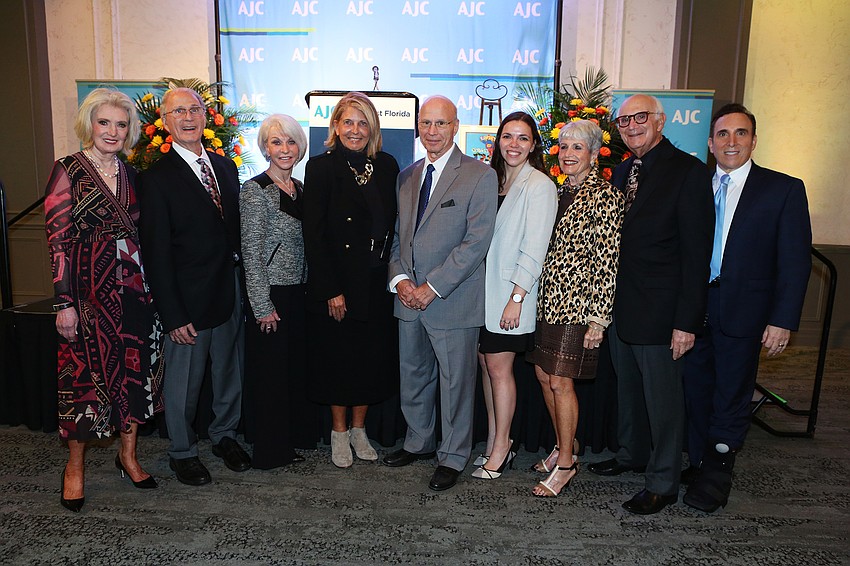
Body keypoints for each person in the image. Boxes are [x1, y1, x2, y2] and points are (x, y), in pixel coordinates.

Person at [587, 94, 714, 515]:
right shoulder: (623, 170)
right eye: (624, 120)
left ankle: (663, 482)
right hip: (622, 307)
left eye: (640, 117)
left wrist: (686, 322)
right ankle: (632, 455)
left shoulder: (689, 172)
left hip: (663, 313)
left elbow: (697, 255)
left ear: (660, 121)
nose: (631, 125)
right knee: (629, 392)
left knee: (663, 402)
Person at [682, 103, 812, 512]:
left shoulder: (783, 189)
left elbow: (795, 261)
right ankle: (700, 460)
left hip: (747, 310)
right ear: (710, 142)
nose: (731, 141)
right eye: (723, 134)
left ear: (754, 141)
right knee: (695, 387)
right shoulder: (694, 186)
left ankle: (719, 470)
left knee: (732, 390)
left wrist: (781, 320)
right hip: (696, 307)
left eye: (741, 133)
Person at [45, 87, 164, 512]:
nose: (112, 131)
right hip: (85, 295)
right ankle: (74, 467)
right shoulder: (67, 170)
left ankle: (128, 455)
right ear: (89, 125)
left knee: (133, 377)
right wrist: (64, 304)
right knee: (81, 382)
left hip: (133, 292)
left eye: (121, 124)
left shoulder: (134, 174)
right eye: (104, 123)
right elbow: (57, 240)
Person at [383, 95, 497, 491]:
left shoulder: (479, 175)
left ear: (456, 126)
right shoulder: (408, 175)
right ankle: (418, 441)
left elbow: (476, 242)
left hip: (451, 300)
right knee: (413, 376)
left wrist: (431, 287)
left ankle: (452, 455)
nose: (432, 131)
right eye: (426, 123)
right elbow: (398, 237)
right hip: (408, 298)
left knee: (455, 383)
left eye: (441, 124)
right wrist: (400, 281)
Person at [138, 87, 250, 486]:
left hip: (229, 290)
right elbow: (155, 252)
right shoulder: (155, 179)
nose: (189, 117)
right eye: (179, 111)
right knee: (184, 382)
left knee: (229, 373)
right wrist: (173, 313)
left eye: (195, 109)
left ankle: (224, 436)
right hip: (186, 301)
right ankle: (182, 451)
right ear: (165, 122)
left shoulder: (225, 166)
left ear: (205, 116)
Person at [302, 92, 400, 468]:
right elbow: (315, 234)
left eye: (362, 123)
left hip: (376, 281)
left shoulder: (387, 165)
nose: (355, 130)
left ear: (372, 128)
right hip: (338, 283)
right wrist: (330, 289)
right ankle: (339, 432)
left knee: (369, 360)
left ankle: (360, 429)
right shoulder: (321, 167)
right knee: (338, 361)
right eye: (348, 122)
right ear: (336, 127)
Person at [527, 120, 624, 496]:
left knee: (560, 380)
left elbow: (607, 259)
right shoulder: (553, 191)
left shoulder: (606, 196)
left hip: (579, 307)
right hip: (546, 300)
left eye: (577, 148)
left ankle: (566, 464)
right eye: (563, 146)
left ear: (593, 154)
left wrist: (598, 319)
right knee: (541, 375)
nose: (568, 153)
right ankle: (563, 446)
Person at [472, 111, 557, 481]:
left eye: (523, 138)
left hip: (511, 295)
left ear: (534, 144)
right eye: (508, 136)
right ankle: (494, 439)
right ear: (498, 140)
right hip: (481, 293)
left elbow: (535, 247)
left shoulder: (539, 185)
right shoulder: (489, 181)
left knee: (500, 370)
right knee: (487, 368)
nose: (514, 144)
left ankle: (502, 446)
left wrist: (517, 298)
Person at [240, 114, 312, 469]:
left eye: (291, 142)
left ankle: (291, 440)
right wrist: (261, 306)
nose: (284, 149)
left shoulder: (301, 188)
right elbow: (250, 255)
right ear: (265, 148)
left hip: (299, 293)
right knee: (270, 377)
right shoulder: (255, 190)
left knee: (291, 373)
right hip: (271, 296)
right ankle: (269, 452)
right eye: (276, 142)